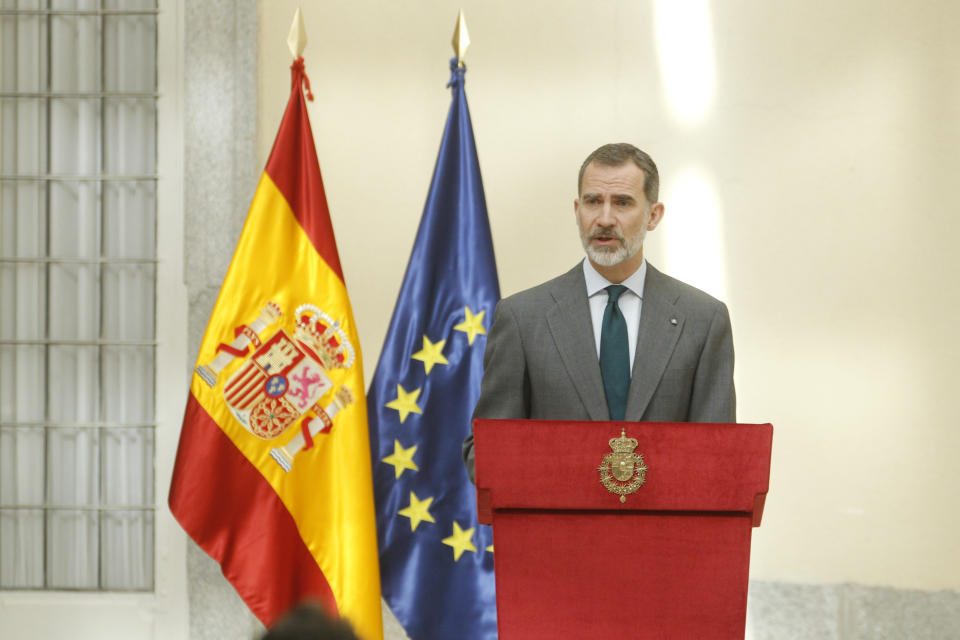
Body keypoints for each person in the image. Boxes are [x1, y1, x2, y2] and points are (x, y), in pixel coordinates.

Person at [463, 143, 735, 481]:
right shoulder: (523, 319)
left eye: (622, 203)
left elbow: (721, 457)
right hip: (558, 531)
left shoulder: (704, 321)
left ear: (654, 215)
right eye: (593, 202)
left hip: (663, 532)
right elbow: (487, 453)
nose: (605, 219)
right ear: (577, 210)